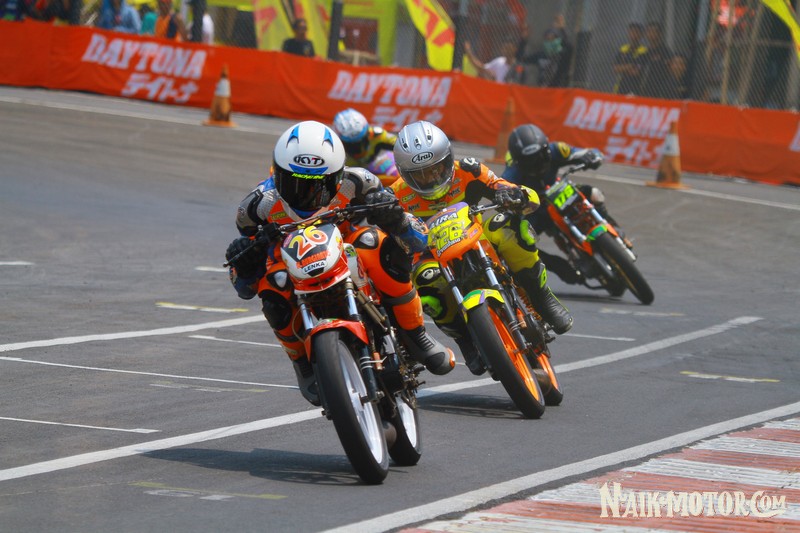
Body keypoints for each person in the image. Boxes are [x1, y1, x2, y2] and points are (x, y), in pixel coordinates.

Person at [225, 121, 454, 405]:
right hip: (294, 265)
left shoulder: (359, 182)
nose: (307, 194)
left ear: (337, 175)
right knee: (274, 285)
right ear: (278, 173)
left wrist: (394, 217)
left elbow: (418, 239)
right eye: (295, 184)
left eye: (319, 186)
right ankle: (302, 364)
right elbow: (243, 287)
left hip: (349, 252)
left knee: (374, 241)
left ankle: (416, 333)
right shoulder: (255, 207)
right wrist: (244, 263)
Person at [381, 121, 573, 374]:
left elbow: (508, 188)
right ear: (405, 174)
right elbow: (382, 237)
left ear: (448, 159)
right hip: (432, 255)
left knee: (510, 228)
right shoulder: (395, 195)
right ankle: (466, 341)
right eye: (421, 174)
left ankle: (542, 296)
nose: (431, 178)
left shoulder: (468, 170)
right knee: (426, 284)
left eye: (437, 169)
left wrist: (515, 195)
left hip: (478, 238)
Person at [502, 123, 626, 285]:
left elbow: (582, 152)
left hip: (560, 190)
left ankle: (611, 226)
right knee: (519, 242)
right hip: (536, 208)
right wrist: (509, 200)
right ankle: (557, 266)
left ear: (546, 148)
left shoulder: (557, 149)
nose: (537, 164)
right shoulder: (512, 173)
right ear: (519, 162)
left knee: (594, 194)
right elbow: (500, 189)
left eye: (540, 157)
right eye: (529, 162)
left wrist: (592, 156)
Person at [332, 108, 397, 181]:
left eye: (361, 140)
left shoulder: (377, 135)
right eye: (351, 144)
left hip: (380, 174)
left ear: (367, 132)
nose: (357, 147)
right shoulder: (337, 153)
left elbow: (399, 144)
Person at [517, 15, 573, 88]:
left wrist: (562, 29)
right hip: (543, 89)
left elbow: (569, 48)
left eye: (552, 39)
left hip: (558, 90)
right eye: (547, 39)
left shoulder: (563, 55)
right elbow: (520, 58)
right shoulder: (541, 55)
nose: (550, 42)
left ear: (558, 40)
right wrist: (523, 40)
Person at [640, 22, 674, 99]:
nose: (650, 34)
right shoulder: (645, 51)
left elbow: (670, 66)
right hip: (645, 87)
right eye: (648, 31)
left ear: (659, 34)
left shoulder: (665, 50)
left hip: (660, 87)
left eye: (653, 31)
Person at [613, 22, 647, 95]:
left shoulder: (644, 51)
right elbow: (616, 68)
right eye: (631, 32)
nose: (633, 34)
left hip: (635, 87)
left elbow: (635, 72)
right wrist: (630, 66)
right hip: (620, 87)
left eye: (636, 32)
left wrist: (623, 67)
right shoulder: (623, 49)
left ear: (641, 35)